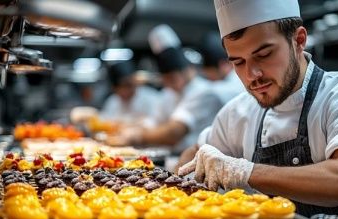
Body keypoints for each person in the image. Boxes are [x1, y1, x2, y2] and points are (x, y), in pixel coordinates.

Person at [178, 0, 338, 219]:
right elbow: (192, 156)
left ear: (299, 40)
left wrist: (244, 172)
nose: (252, 75)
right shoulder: (237, 113)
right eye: (238, 62)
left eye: (264, 55)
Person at [113, 24, 223, 153]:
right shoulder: (168, 93)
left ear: (188, 70)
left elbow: (174, 132)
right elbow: (154, 121)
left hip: (197, 157)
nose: (170, 84)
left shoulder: (204, 92)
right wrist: (134, 128)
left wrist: (139, 136)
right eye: (166, 79)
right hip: (170, 155)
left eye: (173, 78)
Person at [100, 61, 161, 125]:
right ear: (115, 89)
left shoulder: (151, 97)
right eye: (125, 86)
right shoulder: (112, 101)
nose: (128, 89)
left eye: (130, 84)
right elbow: (104, 120)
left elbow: (156, 121)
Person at [198, 32, 244, 105]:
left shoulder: (237, 82)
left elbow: (211, 91)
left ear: (222, 65)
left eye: (209, 73)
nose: (209, 78)